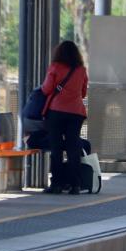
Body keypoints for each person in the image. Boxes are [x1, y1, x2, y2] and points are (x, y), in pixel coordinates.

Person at [40, 40, 88, 194]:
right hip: (76, 113)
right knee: (73, 148)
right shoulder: (81, 70)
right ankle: (75, 184)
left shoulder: (55, 67)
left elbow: (46, 89)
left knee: (56, 149)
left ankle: (57, 184)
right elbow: (83, 92)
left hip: (56, 112)